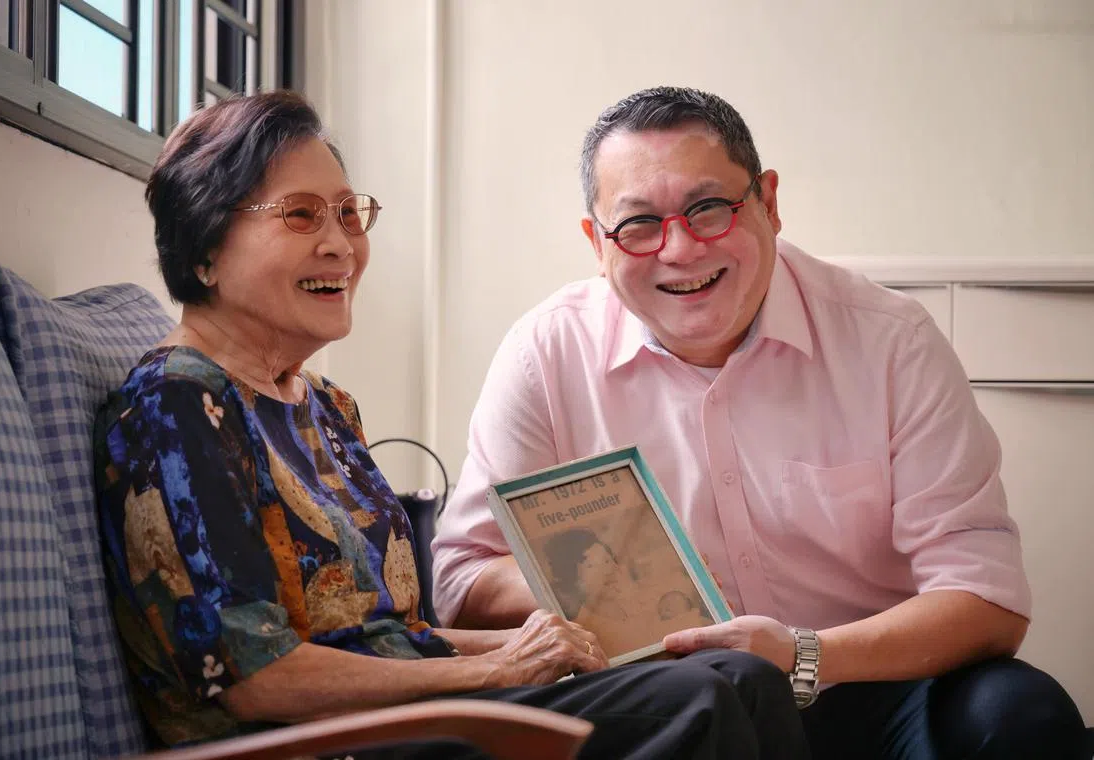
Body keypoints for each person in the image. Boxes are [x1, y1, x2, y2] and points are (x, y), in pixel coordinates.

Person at [93, 90, 811, 759]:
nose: (343, 245)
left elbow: (390, 638)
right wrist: (496, 669)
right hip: (315, 743)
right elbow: (257, 678)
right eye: (302, 215)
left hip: (404, 720)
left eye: (349, 213)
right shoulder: (179, 406)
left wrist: (543, 642)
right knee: (705, 698)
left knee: (739, 672)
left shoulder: (324, 407)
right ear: (203, 250)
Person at [431, 86, 1089, 759]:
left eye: (709, 208)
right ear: (596, 244)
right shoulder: (545, 354)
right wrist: (604, 583)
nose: (680, 250)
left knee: (1024, 716)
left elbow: (985, 599)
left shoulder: (891, 341)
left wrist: (806, 655)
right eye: (638, 225)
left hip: (875, 680)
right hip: (678, 702)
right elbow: (462, 580)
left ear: (768, 203)